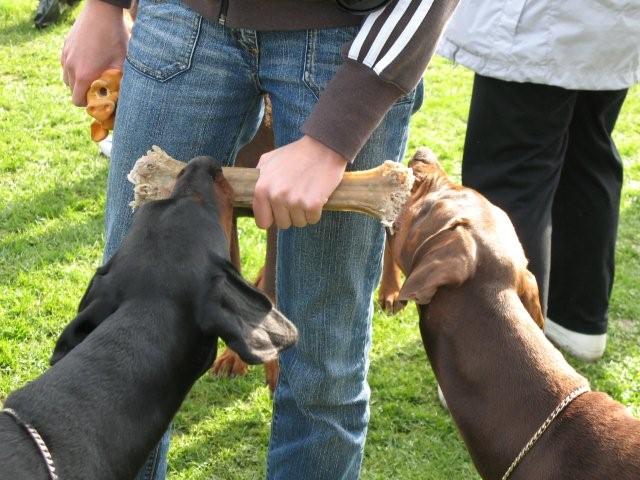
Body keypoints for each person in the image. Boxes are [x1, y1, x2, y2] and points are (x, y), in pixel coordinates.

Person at [60, 0, 459, 478]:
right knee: (121, 341)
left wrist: (332, 139)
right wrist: (103, 6)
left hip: (344, 42)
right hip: (180, 20)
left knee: (321, 371)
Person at [437, 2, 640, 361]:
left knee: (510, 174)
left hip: (541, 24)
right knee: (588, 148)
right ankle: (577, 320)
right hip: (615, 22)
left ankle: (499, 356)